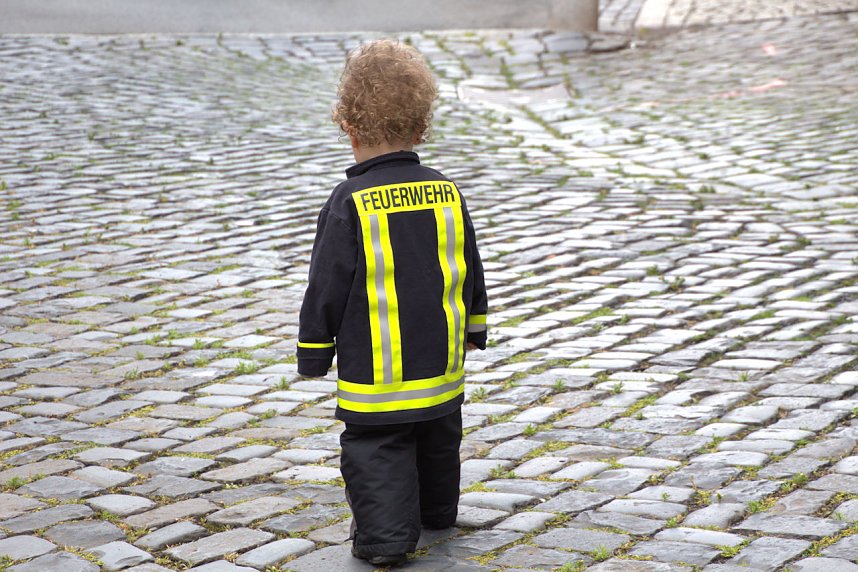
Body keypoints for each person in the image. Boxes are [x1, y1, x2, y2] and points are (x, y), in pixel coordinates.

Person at [296, 39, 488, 567]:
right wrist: (476, 327)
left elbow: (326, 286)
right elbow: (469, 266)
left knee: (377, 445)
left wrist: (314, 351)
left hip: (378, 366)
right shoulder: (447, 191)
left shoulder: (349, 202)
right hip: (442, 361)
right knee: (437, 434)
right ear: (422, 128)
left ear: (348, 127)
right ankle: (436, 512)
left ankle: (384, 539)